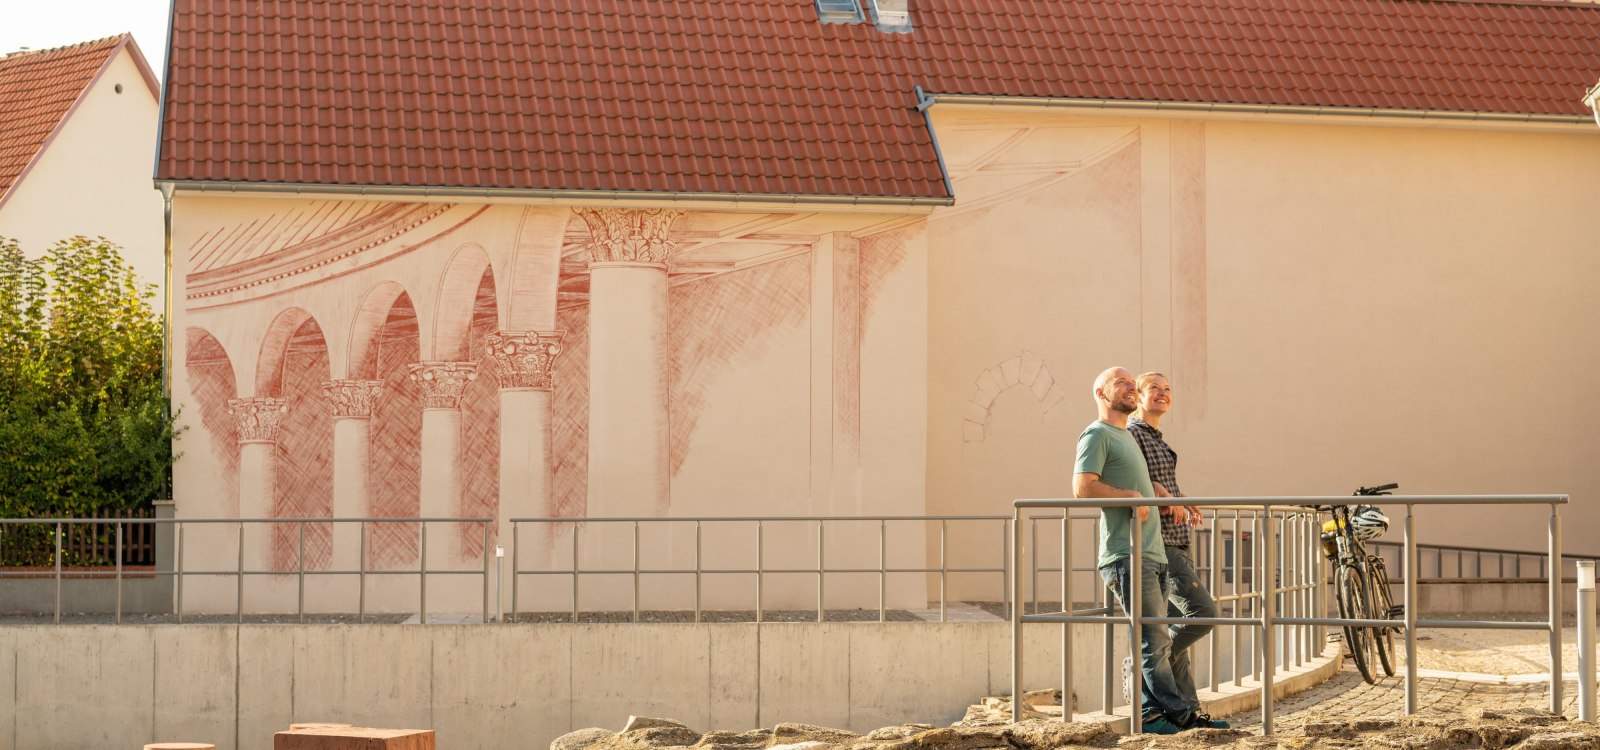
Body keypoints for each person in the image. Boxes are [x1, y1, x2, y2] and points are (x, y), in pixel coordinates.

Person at [1074, 366, 1190, 735]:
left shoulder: (1127, 436)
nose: (1128, 387)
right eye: (1119, 382)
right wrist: (1128, 496)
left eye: (1129, 382)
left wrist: (1157, 491)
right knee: (1154, 639)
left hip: (1151, 551)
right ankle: (1178, 715)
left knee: (1155, 638)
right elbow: (1082, 488)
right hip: (1126, 552)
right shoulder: (1097, 434)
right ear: (1099, 393)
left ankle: (1153, 714)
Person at [1128, 372, 1228, 730]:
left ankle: (1187, 712)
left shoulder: (1157, 439)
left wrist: (1182, 497)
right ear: (1137, 395)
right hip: (1160, 543)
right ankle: (1146, 664)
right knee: (1203, 613)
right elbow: (1137, 480)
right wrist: (1160, 491)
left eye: (1168, 388)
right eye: (1154, 387)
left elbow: (1160, 483)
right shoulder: (1133, 434)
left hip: (1174, 539)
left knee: (1172, 632)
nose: (1163, 393)